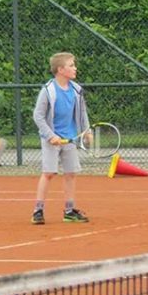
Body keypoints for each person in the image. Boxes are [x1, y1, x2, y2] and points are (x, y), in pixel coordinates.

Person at [31, 52, 91, 225]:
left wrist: (87, 131)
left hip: (70, 138)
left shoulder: (76, 90)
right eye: (71, 65)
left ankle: (69, 211)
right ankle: (38, 210)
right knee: (48, 173)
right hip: (51, 139)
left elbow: (82, 112)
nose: (75, 68)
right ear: (60, 69)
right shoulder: (48, 90)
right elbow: (38, 116)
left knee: (70, 174)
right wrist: (51, 136)